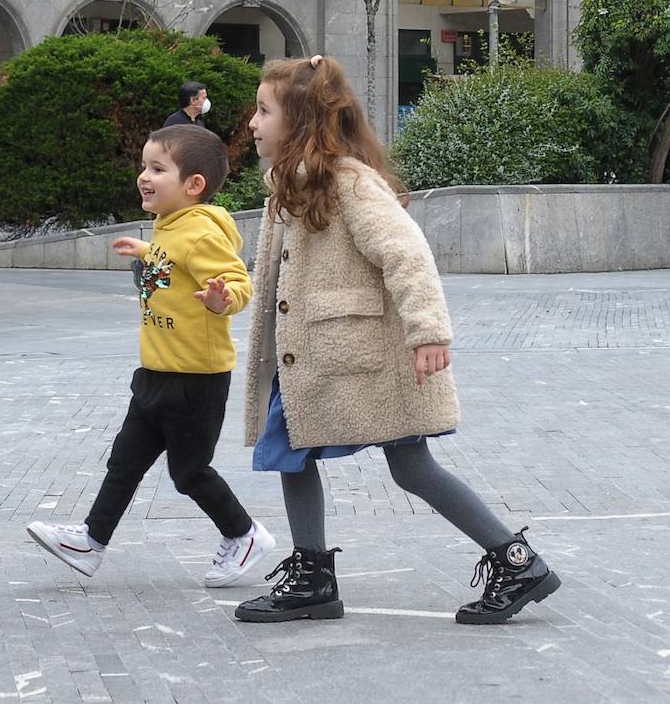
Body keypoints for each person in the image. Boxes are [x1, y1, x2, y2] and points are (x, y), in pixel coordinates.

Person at [234, 55, 561, 625]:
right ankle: (313, 576)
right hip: (315, 357)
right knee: (292, 450)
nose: (253, 123)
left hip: (361, 357)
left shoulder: (349, 182)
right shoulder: (289, 186)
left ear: (303, 120)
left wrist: (427, 333)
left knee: (408, 466)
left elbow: (406, 254)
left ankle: (515, 559)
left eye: (264, 111)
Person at [27, 125, 275, 586]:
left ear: (193, 185)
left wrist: (224, 299)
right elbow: (171, 260)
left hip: (195, 379)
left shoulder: (201, 232)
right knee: (124, 460)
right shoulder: (170, 226)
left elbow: (239, 281)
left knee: (189, 472)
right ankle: (90, 542)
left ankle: (244, 535)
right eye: (144, 166)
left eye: (157, 169)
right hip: (156, 372)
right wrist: (145, 249)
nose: (144, 176)